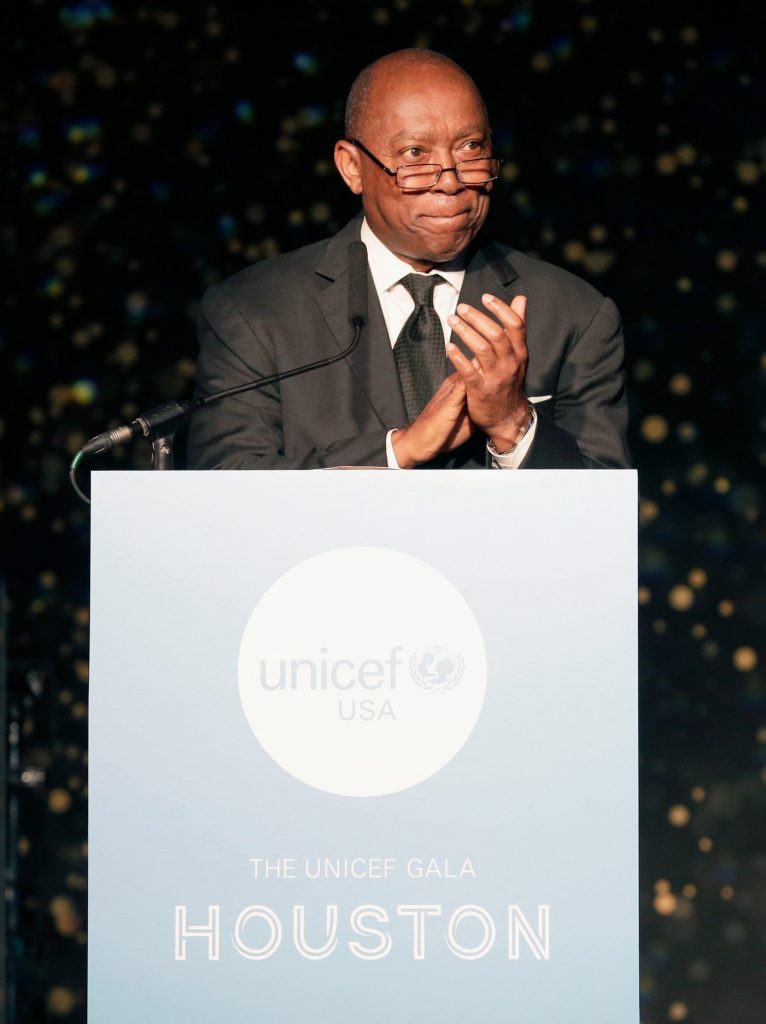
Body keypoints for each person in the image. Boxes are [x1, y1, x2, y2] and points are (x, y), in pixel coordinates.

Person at [187, 49, 630, 471]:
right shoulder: (255, 312)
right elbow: (228, 488)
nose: (451, 181)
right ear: (352, 168)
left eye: (471, 148)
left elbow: (603, 519)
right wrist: (398, 451)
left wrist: (514, 425)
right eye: (415, 155)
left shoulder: (574, 314)